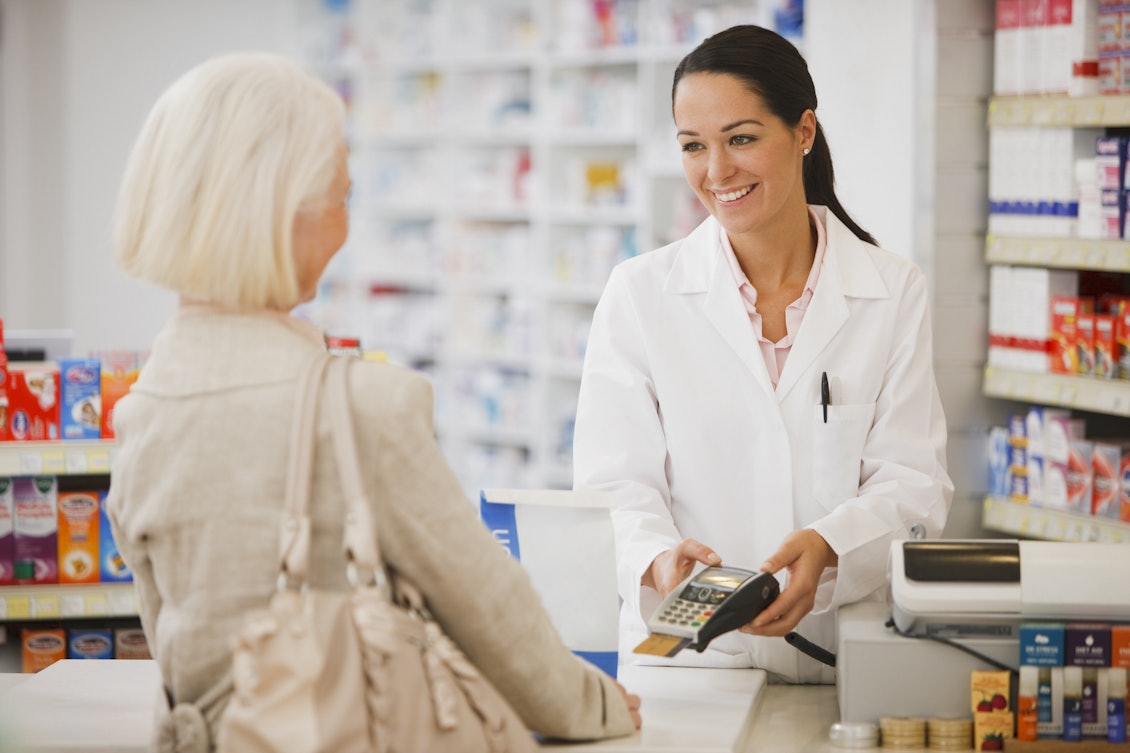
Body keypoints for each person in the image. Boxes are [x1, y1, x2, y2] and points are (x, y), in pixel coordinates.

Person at [106, 52, 641, 751]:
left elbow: (170, 635)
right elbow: (490, 609)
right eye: (341, 196)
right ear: (284, 215)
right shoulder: (362, 407)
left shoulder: (141, 412)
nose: (344, 223)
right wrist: (594, 705)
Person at [573, 25, 954, 684]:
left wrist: (831, 547)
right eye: (694, 145)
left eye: (741, 138)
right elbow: (613, 486)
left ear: (803, 131)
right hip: (690, 664)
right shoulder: (640, 294)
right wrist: (658, 560)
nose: (716, 172)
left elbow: (914, 486)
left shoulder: (891, 291)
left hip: (838, 662)